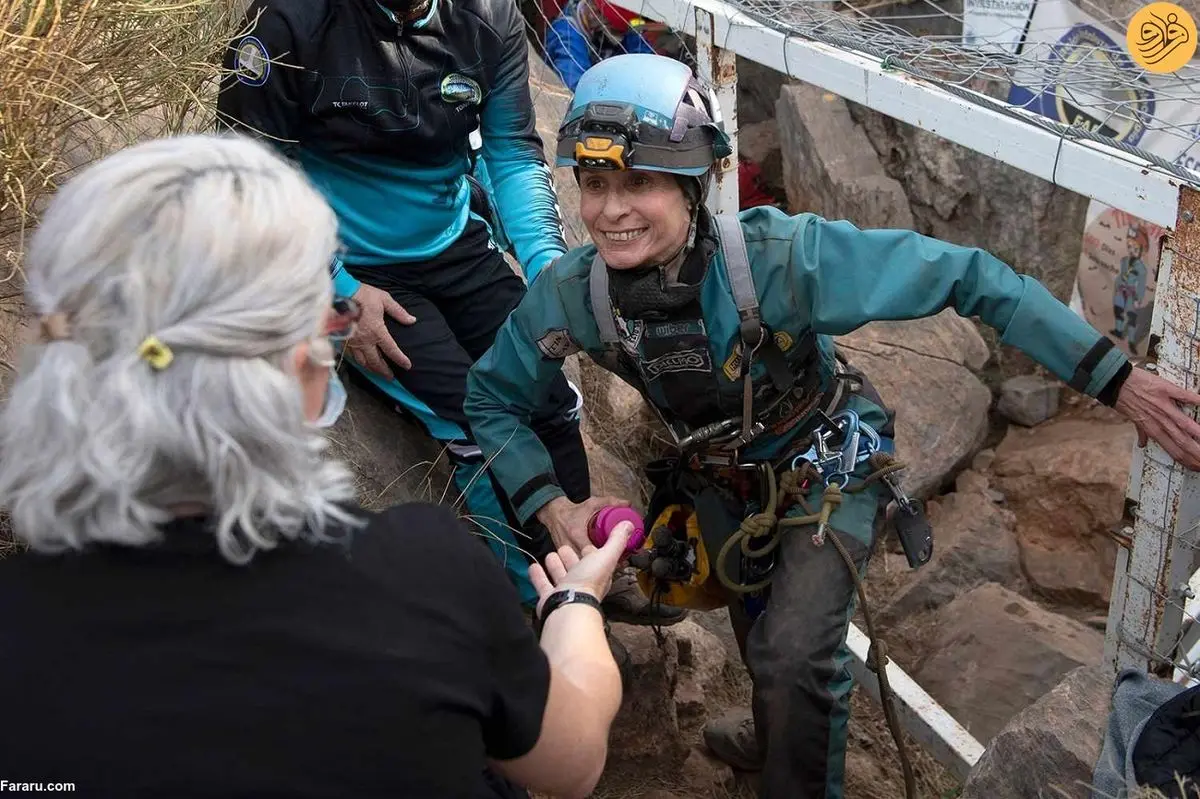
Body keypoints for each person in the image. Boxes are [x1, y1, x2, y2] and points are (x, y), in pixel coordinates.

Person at [463, 53, 1200, 798]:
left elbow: (967, 273)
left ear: (693, 185)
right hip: (722, 480)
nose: (611, 210)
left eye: (639, 182)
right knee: (759, 628)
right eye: (595, 185)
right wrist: (549, 504)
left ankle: (797, 755)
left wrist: (1116, 379)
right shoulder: (576, 296)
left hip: (827, 458)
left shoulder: (781, 261)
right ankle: (778, 729)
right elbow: (490, 396)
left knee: (795, 654)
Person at [0, 134, 628, 799]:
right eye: (326, 320)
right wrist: (574, 605)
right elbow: (572, 760)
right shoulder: (420, 575)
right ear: (299, 374)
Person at [214, 0, 682, 627]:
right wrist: (333, 290)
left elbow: (512, 153)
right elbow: (246, 177)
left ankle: (590, 564)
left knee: (550, 393)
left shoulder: (491, 16)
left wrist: (550, 271)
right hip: (348, 263)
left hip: (456, 244)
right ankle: (538, 596)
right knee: (469, 416)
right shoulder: (288, 22)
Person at [542, 1, 779, 211]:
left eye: (624, 29)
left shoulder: (626, 29)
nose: (618, 34)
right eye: (612, 28)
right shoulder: (567, 33)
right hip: (594, 124)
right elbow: (573, 86)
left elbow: (651, 66)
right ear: (594, 11)